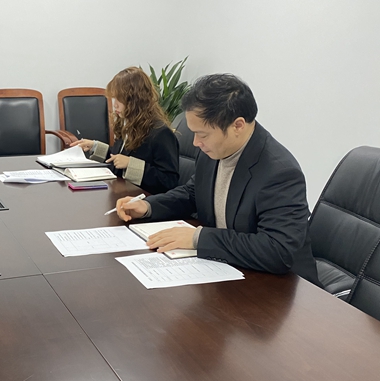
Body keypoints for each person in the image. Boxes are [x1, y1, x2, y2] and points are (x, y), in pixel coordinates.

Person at [116, 74, 318, 284]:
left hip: (283, 287)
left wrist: (198, 238)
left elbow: (277, 251)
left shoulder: (280, 173)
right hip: (228, 270)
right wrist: (148, 206)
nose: (195, 143)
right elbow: (193, 193)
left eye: (202, 135)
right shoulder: (214, 151)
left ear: (237, 125)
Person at [70, 66, 179, 194]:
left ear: (135, 100)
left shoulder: (160, 133)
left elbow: (169, 181)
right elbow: (118, 159)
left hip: (143, 199)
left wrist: (131, 165)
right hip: (121, 193)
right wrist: (95, 146)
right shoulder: (128, 124)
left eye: (119, 99)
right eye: (114, 98)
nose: (115, 104)